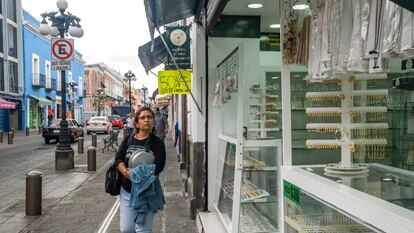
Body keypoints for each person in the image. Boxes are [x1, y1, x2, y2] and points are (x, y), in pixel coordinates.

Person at [115, 107, 166, 233]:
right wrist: (126, 173)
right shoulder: (128, 140)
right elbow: (118, 158)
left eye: (149, 117)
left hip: (147, 192)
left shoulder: (157, 143)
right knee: (126, 229)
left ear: (153, 122)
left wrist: (134, 174)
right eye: (143, 118)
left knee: (143, 229)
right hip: (127, 191)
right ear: (137, 123)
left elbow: (158, 167)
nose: (146, 120)